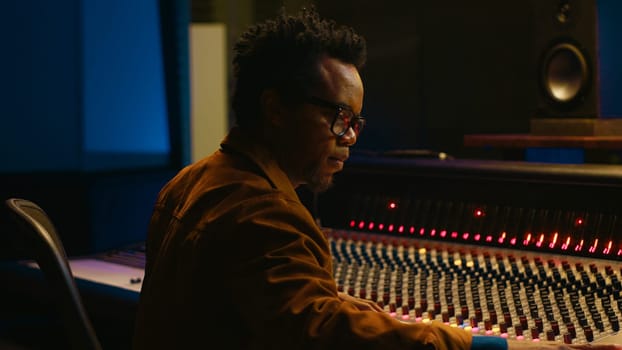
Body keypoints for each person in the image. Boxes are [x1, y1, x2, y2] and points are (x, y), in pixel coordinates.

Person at [132, 6, 622, 350]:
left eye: (356, 123)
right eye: (339, 117)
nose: (350, 138)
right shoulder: (262, 212)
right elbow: (321, 330)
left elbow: (292, 306)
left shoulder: (193, 181)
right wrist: (484, 344)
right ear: (275, 109)